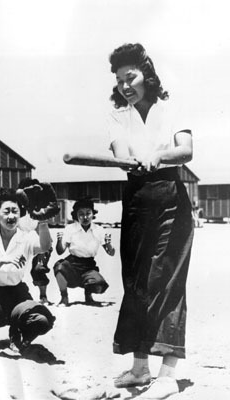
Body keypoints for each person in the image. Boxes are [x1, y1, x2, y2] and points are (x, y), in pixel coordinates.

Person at [107, 43, 194, 399]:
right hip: (137, 199)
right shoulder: (118, 114)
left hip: (170, 196)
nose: (126, 86)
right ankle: (140, 367)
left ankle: (169, 374)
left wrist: (157, 154)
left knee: (166, 281)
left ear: (147, 74)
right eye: (120, 80)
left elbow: (185, 150)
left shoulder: (169, 107)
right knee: (137, 283)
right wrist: (133, 159)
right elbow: (120, 154)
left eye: (131, 77)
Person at [0, 188, 55, 365]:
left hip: (17, 295)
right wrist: (1, 261)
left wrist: (43, 221)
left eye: (15, 211)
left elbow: (44, 246)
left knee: (43, 320)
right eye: (6, 211)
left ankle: (17, 334)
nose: (11, 216)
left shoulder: (26, 237)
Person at [53, 198, 115, 307]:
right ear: (76, 215)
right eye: (81, 214)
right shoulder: (70, 229)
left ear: (93, 214)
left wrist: (109, 243)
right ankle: (64, 298)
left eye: (88, 213)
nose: (85, 217)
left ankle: (88, 295)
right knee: (59, 267)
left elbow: (111, 253)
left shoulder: (99, 230)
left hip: (89, 266)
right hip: (72, 264)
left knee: (99, 285)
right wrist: (59, 241)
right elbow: (60, 251)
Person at [17, 178, 53, 305]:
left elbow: (42, 232)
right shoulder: (16, 208)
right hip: (21, 243)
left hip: (39, 242)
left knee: (39, 268)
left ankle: (43, 296)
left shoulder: (39, 208)